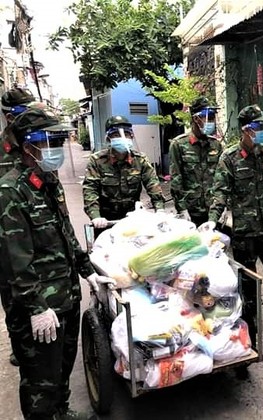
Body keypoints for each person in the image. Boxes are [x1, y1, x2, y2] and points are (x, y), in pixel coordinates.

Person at [0, 107, 115, 420]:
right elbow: (14, 261)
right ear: (29, 147)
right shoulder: (11, 192)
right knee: (40, 382)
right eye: (51, 141)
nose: (56, 149)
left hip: (64, 298)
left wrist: (88, 271)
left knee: (62, 369)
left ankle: (61, 412)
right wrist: (36, 308)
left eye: (59, 140)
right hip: (38, 310)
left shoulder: (49, 182)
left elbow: (66, 234)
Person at [205, 104, 263, 323]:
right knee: (248, 277)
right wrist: (212, 222)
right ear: (246, 129)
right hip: (245, 231)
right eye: (260, 126)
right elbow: (220, 193)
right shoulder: (229, 158)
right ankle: (251, 314)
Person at [0, 87, 36, 367]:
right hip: (7, 235)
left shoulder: (37, 144)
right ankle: (20, 345)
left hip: (38, 229)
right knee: (13, 297)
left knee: (37, 287)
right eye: (24, 112)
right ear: (9, 116)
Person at [82, 115, 165, 236]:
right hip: (106, 220)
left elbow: (152, 184)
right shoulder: (97, 160)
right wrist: (95, 215)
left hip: (132, 217)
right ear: (109, 138)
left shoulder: (140, 160)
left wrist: (160, 208)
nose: (122, 138)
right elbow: (90, 189)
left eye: (126, 134)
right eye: (116, 135)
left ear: (131, 136)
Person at [169, 97, 223, 226]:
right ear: (195, 118)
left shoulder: (216, 145)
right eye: (207, 117)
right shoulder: (179, 145)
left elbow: (221, 180)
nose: (211, 121)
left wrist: (223, 206)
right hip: (191, 211)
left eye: (212, 117)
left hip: (214, 213)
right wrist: (182, 209)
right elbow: (176, 180)